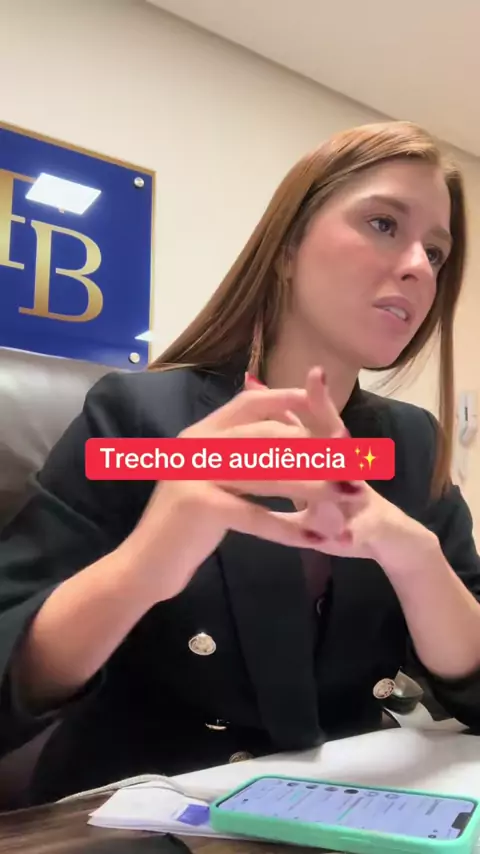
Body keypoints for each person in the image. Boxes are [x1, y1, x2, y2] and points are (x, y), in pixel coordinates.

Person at [1, 119, 480, 807]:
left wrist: (417, 559)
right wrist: (141, 568)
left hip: (348, 809)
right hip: (146, 818)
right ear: (285, 249)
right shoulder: (139, 417)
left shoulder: (413, 446)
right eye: (383, 224)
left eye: (436, 252)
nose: (417, 267)